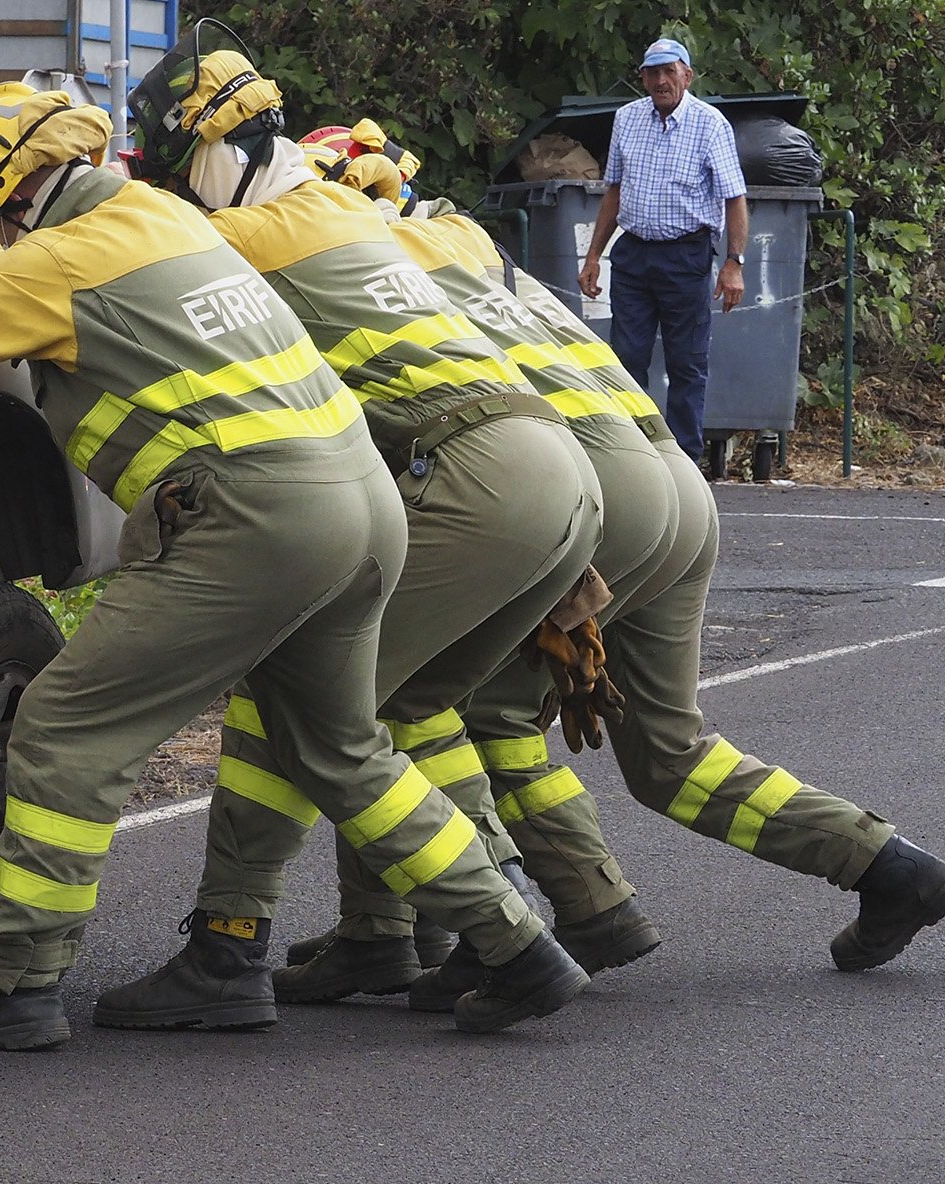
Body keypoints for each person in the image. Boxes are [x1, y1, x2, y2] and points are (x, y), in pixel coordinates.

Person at [0, 83, 579, 1049]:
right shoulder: (150, 216)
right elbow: (23, 271)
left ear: (4, 185)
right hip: (362, 501)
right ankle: (517, 943)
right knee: (342, 748)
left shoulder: (56, 265)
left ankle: (18, 988)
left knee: (64, 729)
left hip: (256, 518)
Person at [97, 65, 604, 1021]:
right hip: (552, 468)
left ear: (210, 151)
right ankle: (432, 931)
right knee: (406, 704)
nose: (171, 187)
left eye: (177, 165)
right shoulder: (339, 211)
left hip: (476, 474)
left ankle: (232, 947)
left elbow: (115, 249)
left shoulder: (240, 232)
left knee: (299, 705)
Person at [369, 182, 945, 991]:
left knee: (475, 710)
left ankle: (559, 916)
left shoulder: (377, 278)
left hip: (593, 498)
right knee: (670, 754)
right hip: (672, 481)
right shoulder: (488, 266)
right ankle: (889, 866)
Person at [578, 38, 748, 460]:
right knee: (626, 357)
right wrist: (593, 256)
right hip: (633, 253)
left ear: (686, 76)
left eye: (668, 71)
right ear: (643, 78)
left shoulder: (710, 124)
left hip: (686, 255)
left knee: (686, 362)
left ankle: (685, 460)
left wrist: (734, 262)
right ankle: (634, 456)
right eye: (652, 73)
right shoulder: (626, 119)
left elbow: (735, 198)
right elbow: (614, 191)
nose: (660, 81)